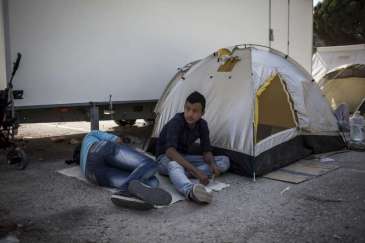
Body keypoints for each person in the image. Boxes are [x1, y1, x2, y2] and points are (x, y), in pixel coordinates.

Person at [156, 91, 230, 204]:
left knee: (223, 160)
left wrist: (213, 165)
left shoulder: (202, 125)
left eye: (195, 111)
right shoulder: (176, 122)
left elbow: (206, 151)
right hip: (165, 159)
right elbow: (170, 152)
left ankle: (180, 174)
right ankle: (190, 191)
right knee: (173, 165)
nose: (190, 114)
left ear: (202, 113)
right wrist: (197, 172)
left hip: (184, 158)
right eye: (187, 109)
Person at [80, 130, 171, 210]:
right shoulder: (92, 134)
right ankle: (125, 190)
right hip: (99, 148)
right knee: (151, 164)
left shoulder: (86, 147)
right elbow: (118, 140)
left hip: (91, 175)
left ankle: (125, 193)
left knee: (152, 182)